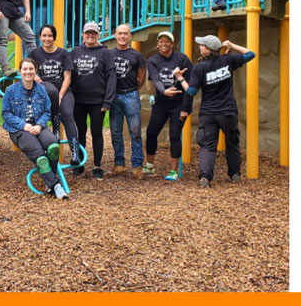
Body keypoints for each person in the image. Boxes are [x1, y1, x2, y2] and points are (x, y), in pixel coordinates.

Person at [174, 36, 255, 187]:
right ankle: (235, 174)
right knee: (232, 142)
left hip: (208, 113)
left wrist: (180, 78)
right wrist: (233, 45)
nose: (199, 46)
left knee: (208, 145)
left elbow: (191, 91)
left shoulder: (199, 68)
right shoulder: (228, 60)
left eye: (202, 45)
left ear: (208, 48)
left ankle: (205, 178)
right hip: (228, 111)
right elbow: (251, 54)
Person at [2, 58, 69, 200]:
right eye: (25, 69)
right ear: (20, 72)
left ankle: (48, 183)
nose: (28, 72)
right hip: (19, 130)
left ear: (35, 71)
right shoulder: (11, 91)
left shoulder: (41, 90)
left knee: (53, 147)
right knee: (40, 157)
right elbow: (6, 113)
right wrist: (23, 125)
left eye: (31, 69)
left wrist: (39, 125)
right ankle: (56, 186)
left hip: (38, 126)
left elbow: (47, 111)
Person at [144, 31, 192, 182]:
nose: (163, 44)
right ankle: (149, 165)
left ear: (172, 43)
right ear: (157, 44)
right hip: (161, 103)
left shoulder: (182, 58)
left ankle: (174, 171)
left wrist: (186, 108)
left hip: (179, 103)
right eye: (160, 41)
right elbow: (156, 79)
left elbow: (190, 87)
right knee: (151, 132)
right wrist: (164, 91)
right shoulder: (153, 60)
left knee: (174, 135)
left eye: (167, 41)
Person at [69, 22, 115, 179]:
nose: (90, 36)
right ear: (82, 34)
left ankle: (97, 165)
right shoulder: (74, 52)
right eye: (87, 33)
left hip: (97, 101)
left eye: (93, 33)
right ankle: (80, 164)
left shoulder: (105, 53)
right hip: (78, 101)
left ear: (98, 35)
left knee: (97, 133)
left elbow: (111, 77)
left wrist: (108, 101)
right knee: (79, 132)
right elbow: (68, 75)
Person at [28, 24, 79, 165]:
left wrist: (61, 95)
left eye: (50, 35)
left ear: (54, 37)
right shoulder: (35, 54)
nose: (47, 38)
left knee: (68, 115)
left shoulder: (63, 53)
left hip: (62, 90)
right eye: (44, 36)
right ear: (40, 37)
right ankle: (55, 126)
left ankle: (75, 153)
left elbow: (67, 77)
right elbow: (27, 69)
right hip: (44, 92)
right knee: (49, 90)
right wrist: (35, 76)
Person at [108, 24, 147, 177]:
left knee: (135, 130)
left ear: (130, 36)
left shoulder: (137, 55)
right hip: (114, 96)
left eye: (125, 33)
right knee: (116, 131)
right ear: (115, 36)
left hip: (131, 95)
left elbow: (142, 77)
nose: (122, 36)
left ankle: (137, 165)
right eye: (120, 33)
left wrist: (134, 89)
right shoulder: (109, 54)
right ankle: (119, 163)